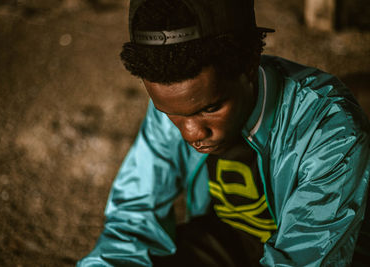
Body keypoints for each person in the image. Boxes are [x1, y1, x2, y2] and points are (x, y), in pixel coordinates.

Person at [77, 0, 370, 266]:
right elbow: (133, 218)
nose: (192, 132)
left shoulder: (330, 129)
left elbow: (304, 258)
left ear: (249, 68)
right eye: (172, 114)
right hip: (225, 242)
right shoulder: (174, 99)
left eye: (211, 108)